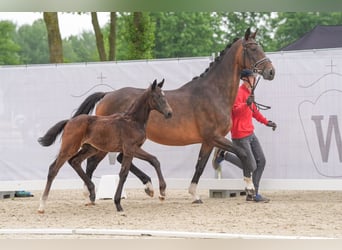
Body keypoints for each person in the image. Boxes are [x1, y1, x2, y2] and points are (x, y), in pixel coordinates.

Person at [212, 68, 277, 203]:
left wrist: (266, 122)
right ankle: (224, 155)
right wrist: (246, 103)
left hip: (250, 133)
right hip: (239, 135)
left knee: (261, 161)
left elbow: (254, 112)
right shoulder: (238, 93)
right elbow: (234, 111)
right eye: (253, 77)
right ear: (245, 79)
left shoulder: (249, 93)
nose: (254, 79)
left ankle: (254, 193)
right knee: (251, 166)